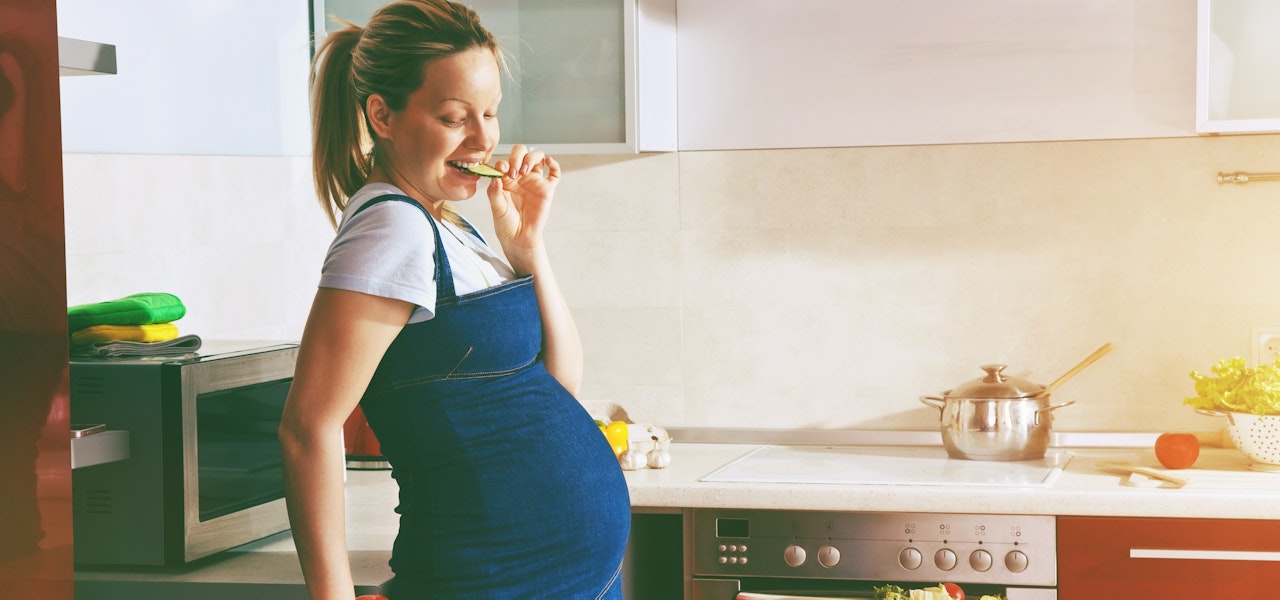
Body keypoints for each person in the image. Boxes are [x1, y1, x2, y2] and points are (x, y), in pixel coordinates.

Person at [278, 1, 631, 598]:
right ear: (382, 116)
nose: (484, 137)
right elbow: (307, 427)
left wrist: (527, 248)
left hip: (556, 580)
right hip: (491, 579)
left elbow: (557, 383)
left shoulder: (447, 225)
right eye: (453, 117)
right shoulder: (392, 228)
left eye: (490, 113)